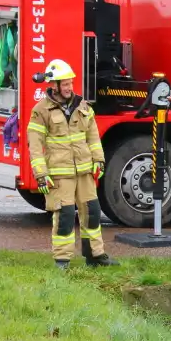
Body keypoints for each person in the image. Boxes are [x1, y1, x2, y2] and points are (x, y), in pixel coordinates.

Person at [26, 59, 118, 269]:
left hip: (84, 171)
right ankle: (62, 260)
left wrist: (99, 161)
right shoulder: (41, 110)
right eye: (65, 84)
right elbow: (34, 144)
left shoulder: (83, 106)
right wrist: (40, 174)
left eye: (70, 83)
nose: (69, 88)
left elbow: (93, 137)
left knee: (92, 212)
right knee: (65, 216)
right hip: (60, 174)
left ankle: (95, 255)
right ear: (54, 86)